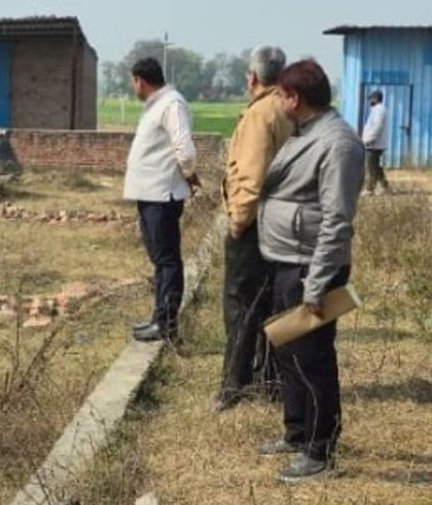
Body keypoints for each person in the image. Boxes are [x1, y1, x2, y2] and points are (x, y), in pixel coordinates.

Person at [256, 59, 364, 482]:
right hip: (287, 258)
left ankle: (320, 451)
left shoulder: (338, 144)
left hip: (310, 267)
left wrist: (316, 283)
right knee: (287, 350)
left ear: (295, 99)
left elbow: (337, 220)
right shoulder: (306, 133)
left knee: (313, 359)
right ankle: (297, 432)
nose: (278, 101)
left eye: (280, 94)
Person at [213, 45, 292, 411]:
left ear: (253, 78)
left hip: (257, 223)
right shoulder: (293, 108)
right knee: (279, 304)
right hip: (285, 225)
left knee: (241, 304)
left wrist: (238, 222)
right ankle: (275, 379)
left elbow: (251, 176)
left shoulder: (261, 115)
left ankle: (235, 382)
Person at [123, 57, 198, 342]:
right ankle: (159, 316)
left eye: (134, 82)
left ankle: (167, 323)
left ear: (140, 80)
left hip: (161, 195)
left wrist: (188, 176)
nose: (134, 87)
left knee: (167, 260)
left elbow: (185, 149)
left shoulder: (172, 104)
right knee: (159, 260)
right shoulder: (157, 105)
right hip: (148, 193)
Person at [361, 89, 389, 195]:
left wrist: (368, 140)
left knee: (371, 167)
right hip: (375, 143)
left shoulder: (379, 110)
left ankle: (370, 189)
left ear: (376, 99)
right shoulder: (378, 110)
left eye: (371, 99)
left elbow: (376, 127)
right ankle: (384, 186)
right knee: (376, 166)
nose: (370, 102)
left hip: (374, 144)